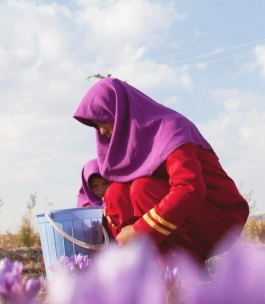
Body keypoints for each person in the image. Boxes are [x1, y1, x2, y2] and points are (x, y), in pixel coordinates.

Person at [73, 78, 249, 266]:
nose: (101, 131)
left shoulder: (171, 129)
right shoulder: (129, 144)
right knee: (115, 192)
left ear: (121, 114)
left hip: (216, 214)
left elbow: (189, 188)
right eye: (95, 125)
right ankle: (139, 269)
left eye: (104, 121)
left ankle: (184, 272)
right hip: (181, 219)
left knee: (142, 187)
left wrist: (140, 231)